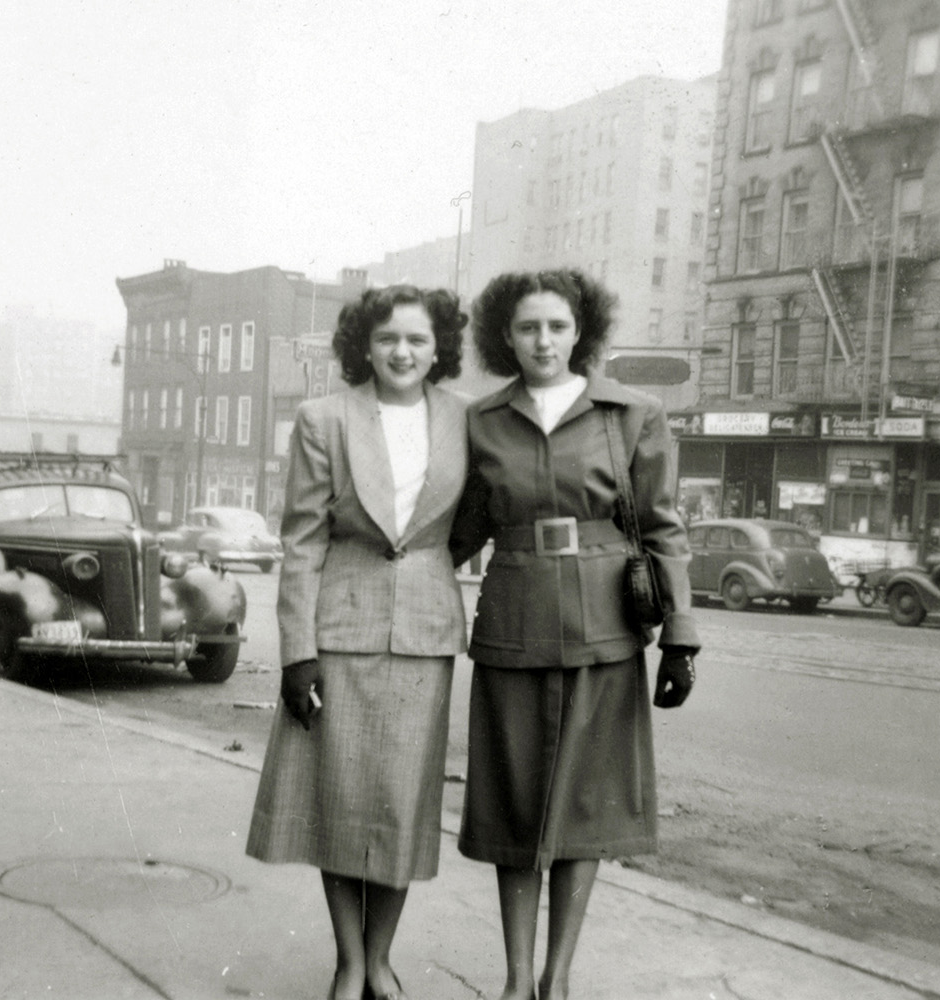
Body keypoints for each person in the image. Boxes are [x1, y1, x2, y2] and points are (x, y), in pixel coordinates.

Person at [449, 269, 701, 1000]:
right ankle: (516, 978)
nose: (544, 340)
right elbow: (457, 531)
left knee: (585, 808)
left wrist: (680, 636)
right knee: (515, 806)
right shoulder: (481, 420)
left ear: (580, 332)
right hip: (514, 625)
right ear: (506, 336)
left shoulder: (632, 414)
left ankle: (556, 981)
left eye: (558, 326)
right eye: (528, 327)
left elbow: (662, 527)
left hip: (605, 630)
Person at [246, 284, 469, 1000]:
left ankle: (381, 959)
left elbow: (472, 522)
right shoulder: (324, 420)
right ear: (363, 347)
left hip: (424, 634)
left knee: (400, 808)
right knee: (339, 801)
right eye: (386, 340)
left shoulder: (467, 422)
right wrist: (296, 652)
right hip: (340, 633)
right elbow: (303, 540)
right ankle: (349, 961)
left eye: (416, 340)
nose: (401, 352)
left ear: (440, 349)